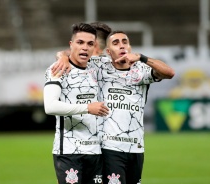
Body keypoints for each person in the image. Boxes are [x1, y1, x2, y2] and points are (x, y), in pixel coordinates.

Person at [53, 30, 175, 183]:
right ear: (109, 52)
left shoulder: (141, 70)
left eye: (125, 42)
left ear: (130, 47)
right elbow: (73, 53)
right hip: (110, 147)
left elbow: (169, 73)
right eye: (116, 43)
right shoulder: (100, 66)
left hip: (136, 147)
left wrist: (142, 58)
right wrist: (63, 57)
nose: (122, 45)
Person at [44, 22, 109, 184]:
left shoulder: (98, 67)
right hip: (69, 151)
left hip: (97, 151)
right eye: (80, 43)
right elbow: (50, 106)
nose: (85, 48)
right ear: (71, 45)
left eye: (90, 44)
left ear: (95, 47)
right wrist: (88, 108)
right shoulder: (58, 69)